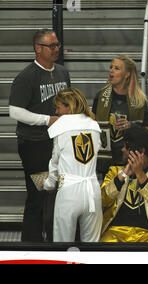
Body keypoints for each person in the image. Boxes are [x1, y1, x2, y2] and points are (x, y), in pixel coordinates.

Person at [8, 28, 71, 242]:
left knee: (56, 195)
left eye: (57, 45)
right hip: (35, 145)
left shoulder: (63, 72)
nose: (56, 49)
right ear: (38, 48)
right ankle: (31, 243)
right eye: (51, 46)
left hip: (58, 142)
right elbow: (14, 111)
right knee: (39, 195)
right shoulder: (26, 76)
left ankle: (54, 240)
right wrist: (47, 120)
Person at [42, 88, 102, 242]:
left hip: (69, 191)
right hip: (92, 190)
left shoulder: (61, 126)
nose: (57, 111)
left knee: (63, 246)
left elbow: (54, 163)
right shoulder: (94, 125)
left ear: (68, 106)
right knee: (92, 246)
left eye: (59, 107)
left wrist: (48, 184)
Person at [100, 125, 148, 242]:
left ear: (141, 151)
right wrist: (123, 175)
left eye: (127, 146)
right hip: (115, 231)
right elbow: (103, 200)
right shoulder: (115, 170)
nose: (123, 149)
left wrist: (140, 174)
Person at [92, 54, 148, 176]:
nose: (111, 71)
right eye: (111, 67)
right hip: (104, 165)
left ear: (127, 74)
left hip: (130, 165)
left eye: (116, 68)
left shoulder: (140, 101)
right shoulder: (100, 97)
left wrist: (131, 126)